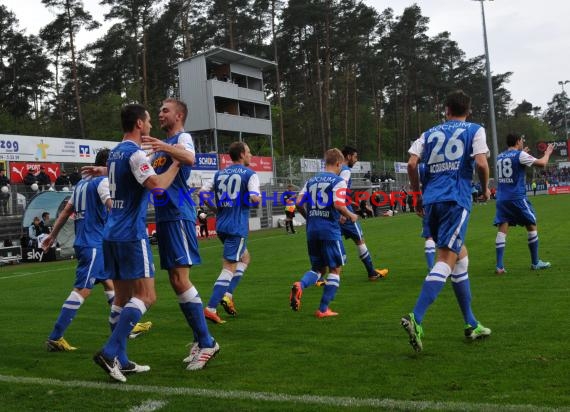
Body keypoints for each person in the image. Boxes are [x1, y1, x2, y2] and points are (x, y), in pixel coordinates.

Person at [91, 104, 182, 383]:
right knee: (147, 296)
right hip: (131, 233)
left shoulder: (116, 152)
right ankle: (109, 352)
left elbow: (135, 167)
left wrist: (156, 152)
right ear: (140, 124)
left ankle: (122, 359)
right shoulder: (134, 154)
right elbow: (156, 187)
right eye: (149, 121)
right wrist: (176, 164)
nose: (152, 125)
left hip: (111, 233)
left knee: (120, 298)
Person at [402, 89, 491, 353]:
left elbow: (411, 164)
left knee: (461, 257)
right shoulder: (475, 129)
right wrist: (485, 189)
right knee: (446, 258)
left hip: (431, 201)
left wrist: (417, 194)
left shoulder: (428, 133)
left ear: (446, 110)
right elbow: (482, 164)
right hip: (455, 199)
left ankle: (471, 323)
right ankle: (415, 318)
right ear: (468, 111)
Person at [42, 149, 149, 353]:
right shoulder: (101, 182)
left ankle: (125, 326)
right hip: (93, 243)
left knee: (110, 284)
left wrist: (53, 235)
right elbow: (112, 204)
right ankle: (55, 337)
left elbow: (66, 211)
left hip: (86, 241)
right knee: (82, 289)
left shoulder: (81, 184)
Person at [141, 98, 219, 370]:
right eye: (159, 110)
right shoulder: (160, 150)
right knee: (176, 280)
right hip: (165, 216)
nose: (160, 114)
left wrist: (161, 145)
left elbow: (190, 158)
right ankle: (201, 339)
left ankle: (207, 342)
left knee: (180, 278)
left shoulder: (182, 138)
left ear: (179, 115)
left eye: (165, 110)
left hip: (178, 213)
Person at [289, 148, 358, 318]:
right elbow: (338, 204)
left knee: (319, 268)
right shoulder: (338, 181)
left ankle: (300, 284)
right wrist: (351, 215)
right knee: (335, 269)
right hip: (329, 230)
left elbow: (298, 203)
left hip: (312, 230)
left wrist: (309, 218)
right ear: (338, 163)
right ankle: (323, 309)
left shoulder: (311, 181)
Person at [199, 142, 261, 323]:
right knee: (229, 266)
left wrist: (216, 209)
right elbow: (255, 199)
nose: (251, 156)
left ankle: (227, 294)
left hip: (221, 225)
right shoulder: (250, 174)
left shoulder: (219, 173)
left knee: (245, 257)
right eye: (249, 152)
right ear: (242, 154)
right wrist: (253, 201)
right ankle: (211, 307)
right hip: (236, 227)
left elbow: (201, 193)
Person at [494, 134, 554, 274]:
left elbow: (512, 165)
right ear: (517, 141)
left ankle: (499, 266)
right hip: (516, 197)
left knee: (502, 227)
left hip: (502, 198)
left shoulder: (499, 156)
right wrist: (547, 153)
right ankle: (535, 262)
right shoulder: (520, 155)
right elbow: (542, 163)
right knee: (531, 224)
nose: (522, 142)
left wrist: (523, 154)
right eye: (521, 141)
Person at [338, 146, 388, 281]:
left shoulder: (335, 169)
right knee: (360, 240)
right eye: (355, 157)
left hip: (334, 211)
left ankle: (317, 275)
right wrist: (344, 212)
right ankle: (371, 272)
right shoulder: (345, 171)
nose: (356, 160)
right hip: (344, 212)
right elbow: (340, 191)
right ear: (348, 157)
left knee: (331, 241)